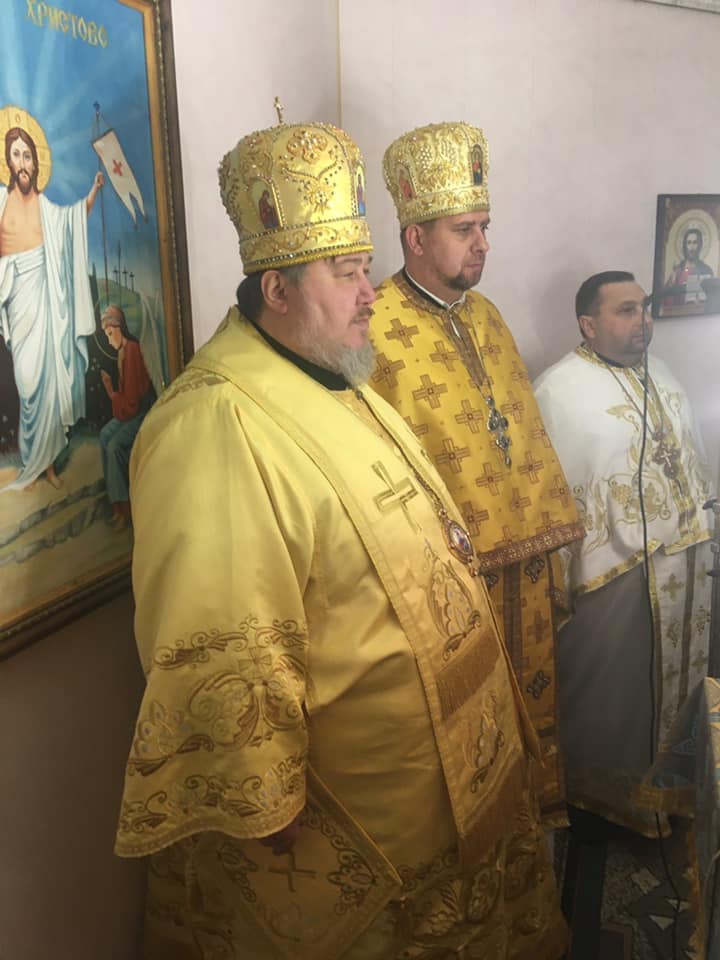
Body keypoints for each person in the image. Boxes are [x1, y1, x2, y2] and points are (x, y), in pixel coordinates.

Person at [115, 117, 566, 960]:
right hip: (358, 826)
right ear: (278, 290)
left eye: (366, 268)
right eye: (348, 273)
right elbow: (222, 633)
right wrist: (259, 796)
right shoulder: (215, 422)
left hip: (437, 786)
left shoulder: (335, 375)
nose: (370, 295)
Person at [371, 122, 584, 828]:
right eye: (465, 230)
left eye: (485, 227)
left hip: (523, 565)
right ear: (416, 237)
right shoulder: (373, 325)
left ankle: (530, 850)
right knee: (467, 738)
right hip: (452, 578)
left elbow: (515, 428)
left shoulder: (487, 316)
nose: (483, 244)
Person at [534, 270, 713, 836]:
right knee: (619, 701)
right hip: (614, 576)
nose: (643, 322)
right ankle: (612, 801)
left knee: (685, 688)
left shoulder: (662, 372)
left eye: (645, 308)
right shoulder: (558, 391)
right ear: (588, 325)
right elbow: (556, 498)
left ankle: (677, 794)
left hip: (687, 568)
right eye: (626, 311)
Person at [0, 116, 104, 490]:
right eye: (16, 155)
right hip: (16, 300)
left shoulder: (45, 207)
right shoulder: (0, 202)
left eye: (28, 155)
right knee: (27, 382)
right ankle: (34, 461)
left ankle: (46, 468)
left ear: (35, 163)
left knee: (46, 385)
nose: (23, 163)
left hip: (45, 298)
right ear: (8, 162)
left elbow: (73, 221)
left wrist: (93, 191)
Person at [99, 304, 155, 531]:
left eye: (110, 333)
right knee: (104, 435)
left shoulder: (132, 351)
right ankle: (116, 505)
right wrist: (116, 396)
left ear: (119, 328)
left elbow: (131, 404)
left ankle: (126, 509)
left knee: (114, 446)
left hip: (143, 411)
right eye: (106, 335)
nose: (108, 340)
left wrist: (111, 392)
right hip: (131, 409)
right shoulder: (122, 352)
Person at [663, 226, 714, 309]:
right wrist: (672, 282)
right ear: (685, 245)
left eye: (695, 242)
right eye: (689, 243)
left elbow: (712, 298)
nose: (691, 247)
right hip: (678, 313)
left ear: (700, 245)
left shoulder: (706, 270)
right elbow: (665, 300)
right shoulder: (678, 271)